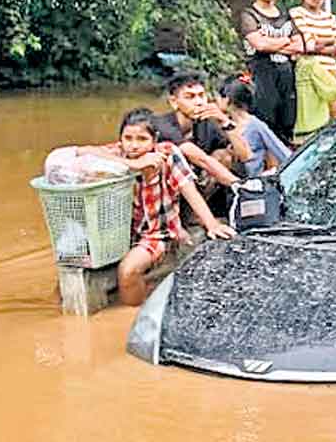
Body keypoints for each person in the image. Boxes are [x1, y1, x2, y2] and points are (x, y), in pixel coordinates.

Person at [77, 108, 236, 305]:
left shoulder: (167, 154)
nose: (134, 145)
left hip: (158, 233)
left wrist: (211, 224)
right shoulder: (118, 154)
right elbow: (77, 152)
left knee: (128, 271)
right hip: (122, 233)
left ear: (154, 140)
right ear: (121, 140)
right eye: (128, 138)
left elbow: (189, 189)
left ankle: (133, 318)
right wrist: (132, 164)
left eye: (142, 139)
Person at [239, 0, 307, 144]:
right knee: (264, 123)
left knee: (287, 123)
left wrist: (273, 44)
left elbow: (300, 45)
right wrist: (285, 41)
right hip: (262, 77)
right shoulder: (249, 15)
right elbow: (259, 44)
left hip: (286, 77)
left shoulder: (285, 15)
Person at [153, 71, 251, 189]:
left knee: (225, 155)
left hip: (196, 182)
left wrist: (225, 122)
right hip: (166, 186)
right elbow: (200, 158)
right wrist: (240, 185)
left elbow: (245, 156)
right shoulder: (163, 125)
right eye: (190, 97)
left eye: (201, 95)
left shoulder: (206, 123)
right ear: (174, 102)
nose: (199, 102)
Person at [289, 0, 336, 144]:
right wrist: (330, 44)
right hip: (310, 76)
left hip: (331, 74)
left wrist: (320, 45)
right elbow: (306, 43)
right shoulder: (296, 14)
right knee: (314, 121)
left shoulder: (330, 18)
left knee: (334, 119)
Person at [217, 75, 291, 178]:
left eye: (220, 96)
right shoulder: (224, 122)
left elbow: (280, 150)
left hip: (254, 179)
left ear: (227, 99)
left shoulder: (255, 125)